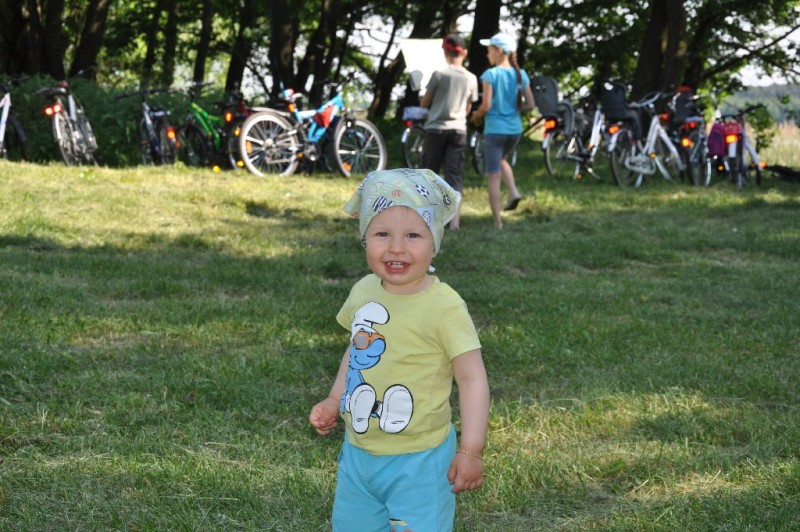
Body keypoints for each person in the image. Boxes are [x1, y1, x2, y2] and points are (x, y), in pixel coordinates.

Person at [309, 168, 490, 532]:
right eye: (382, 234)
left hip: (420, 460)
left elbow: (472, 380)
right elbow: (355, 352)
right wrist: (335, 398)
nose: (396, 247)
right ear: (364, 239)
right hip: (359, 455)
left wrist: (471, 449)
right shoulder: (363, 291)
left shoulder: (444, 307)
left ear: (434, 241)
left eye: (413, 235)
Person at [470, 32, 534, 229]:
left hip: (495, 130)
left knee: (493, 175)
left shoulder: (490, 75)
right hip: (515, 130)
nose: (487, 54)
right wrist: (513, 109)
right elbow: (530, 104)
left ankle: (497, 222)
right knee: (501, 159)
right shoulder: (521, 75)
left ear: (498, 51)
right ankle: (513, 191)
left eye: (489, 50)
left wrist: (476, 116)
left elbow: (486, 106)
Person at [420, 33, 480, 230]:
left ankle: (428, 219)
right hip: (459, 131)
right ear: (465, 53)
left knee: (429, 174)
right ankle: (455, 223)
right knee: (454, 176)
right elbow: (468, 108)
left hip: (436, 129)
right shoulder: (471, 78)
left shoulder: (439, 74)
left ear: (445, 52)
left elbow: (425, 102)